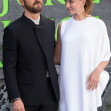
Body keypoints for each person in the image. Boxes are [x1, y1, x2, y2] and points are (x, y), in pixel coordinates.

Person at [3, 0, 59, 111]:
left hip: (50, 96)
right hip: (26, 99)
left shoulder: (50, 25)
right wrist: (15, 98)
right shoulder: (12, 30)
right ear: (21, 2)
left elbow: (55, 55)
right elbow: (9, 67)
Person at [54, 0, 111, 111]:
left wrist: (97, 71)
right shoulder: (63, 26)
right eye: (66, 2)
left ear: (83, 1)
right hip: (67, 82)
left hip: (87, 81)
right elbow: (57, 58)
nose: (67, 5)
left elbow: (106, 55)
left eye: (71, 2)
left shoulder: (98, 25)